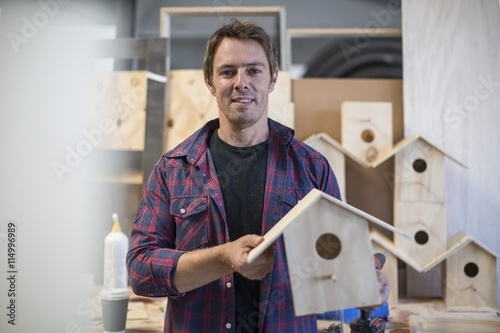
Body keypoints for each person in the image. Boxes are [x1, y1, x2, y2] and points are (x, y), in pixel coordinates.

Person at [126, 18, 389, 333]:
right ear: (209, 82)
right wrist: (224, 258)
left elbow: (337, 262)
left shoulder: (311, 168)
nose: (241, 82)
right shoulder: (173, 169)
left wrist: (366, 285)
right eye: (227, 72)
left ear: (273, 78)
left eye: (254, 70)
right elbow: (140, 271)